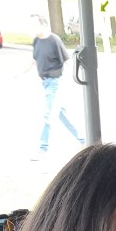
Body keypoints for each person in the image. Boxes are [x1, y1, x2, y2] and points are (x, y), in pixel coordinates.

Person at [31, 15, 84, 157]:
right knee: (62, 114)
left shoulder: (54, 40)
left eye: (34, 25)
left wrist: (76, 78)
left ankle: (43, 147)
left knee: (48, 114)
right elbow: (35, 60)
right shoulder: (36, 41)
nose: (33, 29)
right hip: (45, 82)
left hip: (55, 82)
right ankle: (82, 138)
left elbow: (67, 60)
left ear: (43, 25)